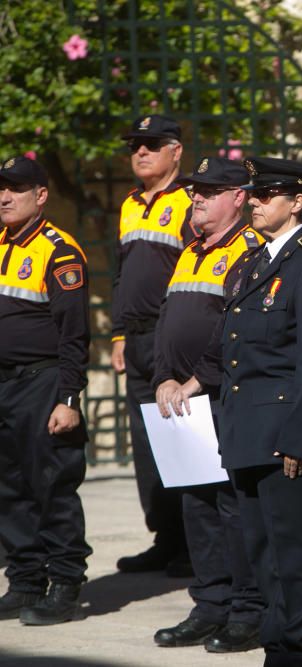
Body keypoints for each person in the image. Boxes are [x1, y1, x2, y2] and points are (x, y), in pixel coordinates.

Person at [174, 156, 302, 667]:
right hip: (246, 429)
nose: (255, 202)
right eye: (254, 194)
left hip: (284, 435)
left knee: (296, 555)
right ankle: (279, 645)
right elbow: (233, 347)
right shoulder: (252, 262)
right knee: (263, 554)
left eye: (267, 196)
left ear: (296, 203)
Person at [150, 157, 264, 652]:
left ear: (238, 197)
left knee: (234, 506)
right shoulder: (190, 250)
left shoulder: (250, 250)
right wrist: (162, 377)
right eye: (195, 190)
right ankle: (210, 605)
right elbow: (168, 322)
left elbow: (240, 334)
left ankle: (247, 610)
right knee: (197, 506)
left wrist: (196, 380)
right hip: (183, 399)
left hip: (223, 396)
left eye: (210, 191)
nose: (197, 197)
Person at [0, 156, 92, 625]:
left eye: (16, 189)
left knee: (51, 486)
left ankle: (65, 584)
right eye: (2, 188)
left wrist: (69, 397)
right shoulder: (0, 244)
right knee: (9, 488)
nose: (4, 196)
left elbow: (74, 332)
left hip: (43, 382)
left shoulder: (60, 251)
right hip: (4, 385)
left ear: (40, 195)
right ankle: (25, 580)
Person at [111, 114, 195, 575]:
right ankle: (164, 537)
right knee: (146, 446)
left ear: (175, 151)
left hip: (170, 337)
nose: (140, 152)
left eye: (151, 144)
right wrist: (120, 333)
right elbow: (123, 274)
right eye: (135, 146)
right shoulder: (128, 204)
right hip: (136, 336)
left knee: (179, 439)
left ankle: (191, 545)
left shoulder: (188, 200)